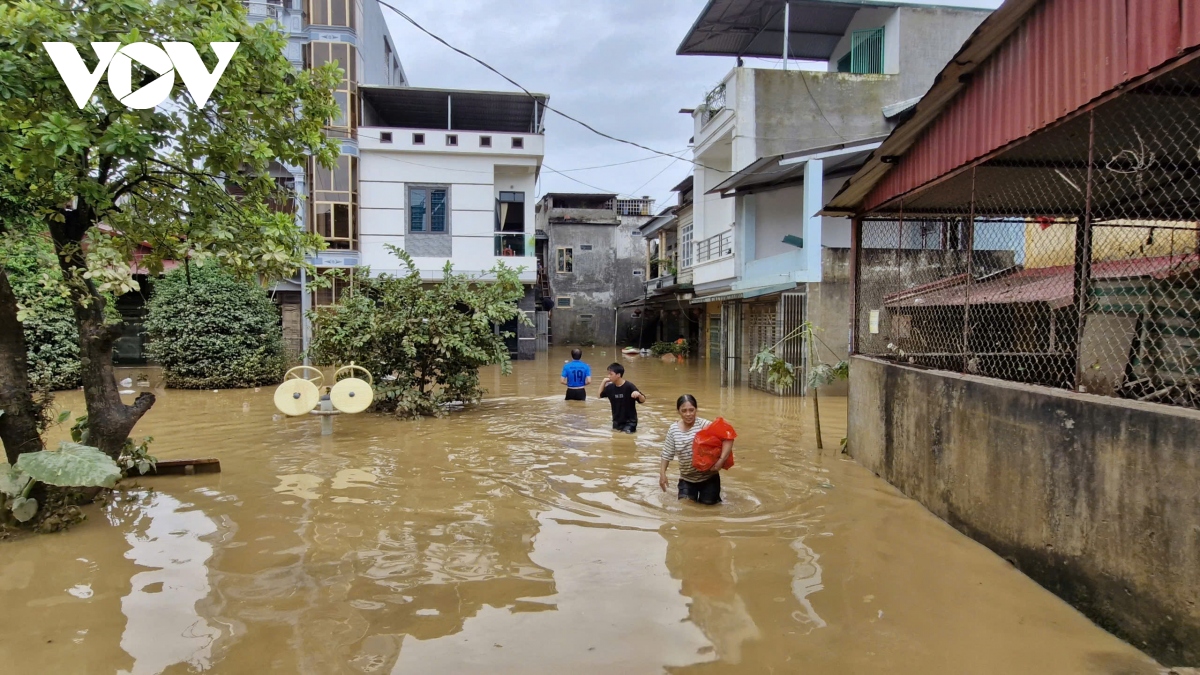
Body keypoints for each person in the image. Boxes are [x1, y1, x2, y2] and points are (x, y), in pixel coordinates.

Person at [659, 395, 732, 505]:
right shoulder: (673, 430)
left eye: (691, 410)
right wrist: (662, 474)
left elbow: (728, 436)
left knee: (708, 509)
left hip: (709, 478)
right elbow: (667, 453)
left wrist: (721, 460)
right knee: (686, 507)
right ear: (678, 411)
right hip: (686, 479)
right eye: (684, 411)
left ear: (696, 410)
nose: (688, 414)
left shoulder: (704, 425)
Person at [598, 362, 645, 433]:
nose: (609, 376)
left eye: (611, 374)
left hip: (630, 422)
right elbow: (599, 396)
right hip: (616, 421)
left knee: (624, 438)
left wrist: (638, 395)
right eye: (608, 374)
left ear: (618, 375)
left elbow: (642, 400)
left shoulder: (629, 386)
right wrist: (603, 382)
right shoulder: (610, 388)